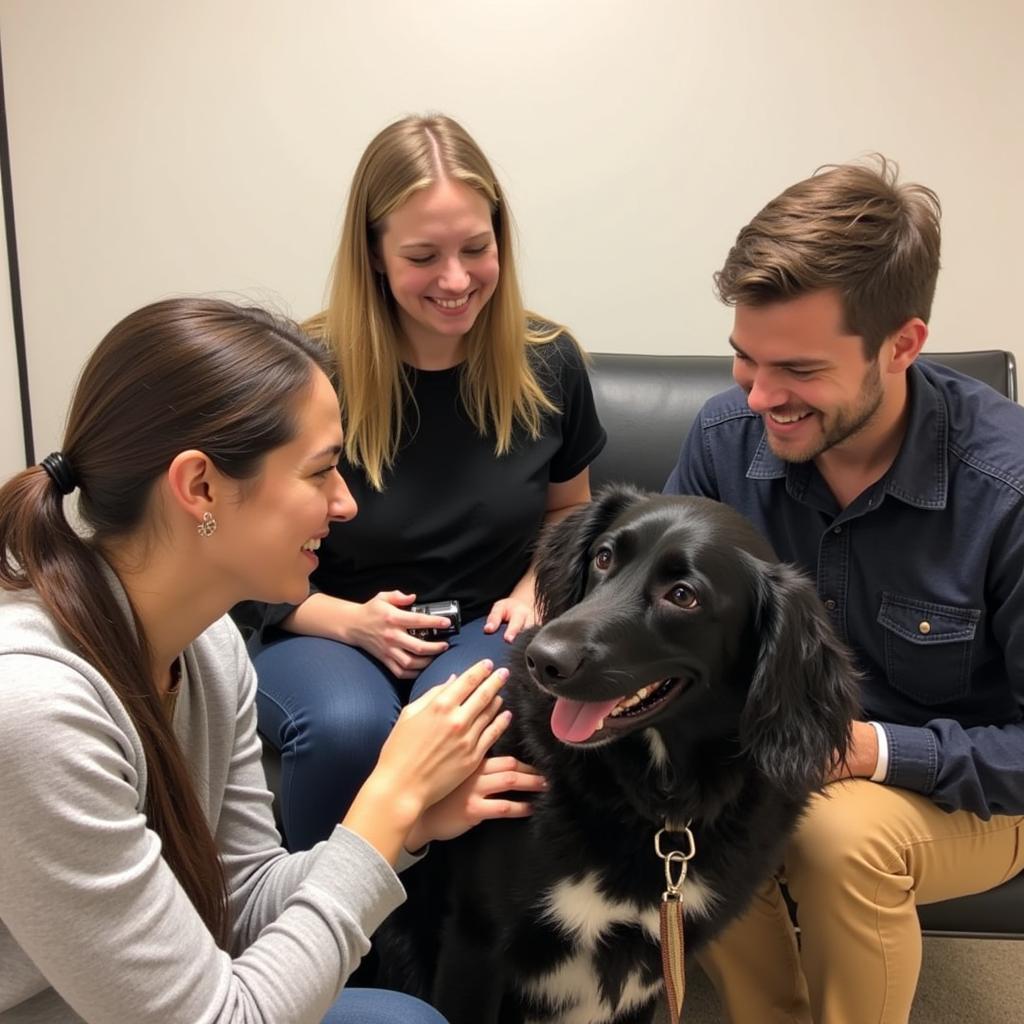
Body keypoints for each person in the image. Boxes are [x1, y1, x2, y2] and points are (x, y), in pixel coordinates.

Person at [0, 297, 545, 1024]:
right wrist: (383, 811)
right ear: (200, 488)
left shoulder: (209, 645)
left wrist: (410, 821)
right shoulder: (34, 712)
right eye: (320, 472)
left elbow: (242, 901)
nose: (345, 504)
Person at [664, 159, 1024, 1023]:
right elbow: (672, 629)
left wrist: (878, 753)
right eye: (744, 360)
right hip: (774, 764)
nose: (759, 396)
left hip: (967, 794)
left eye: (797, 370)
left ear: (902, 345)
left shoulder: (1006, 494)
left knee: (836, 835)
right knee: (697, 793)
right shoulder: (723, 442)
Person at [235, 113, 606, 851]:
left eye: (476, 247)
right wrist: (344, 620)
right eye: (423, 256)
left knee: (451, 719)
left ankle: (442, 955)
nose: (457, 279)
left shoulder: (549, 360)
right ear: (373, 253)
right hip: (320, 621)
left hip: (482, 622)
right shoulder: (305, 372)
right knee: (348, 729)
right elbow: (235, 548)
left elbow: (571, 510)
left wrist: (537, 587)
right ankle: (316, 955)